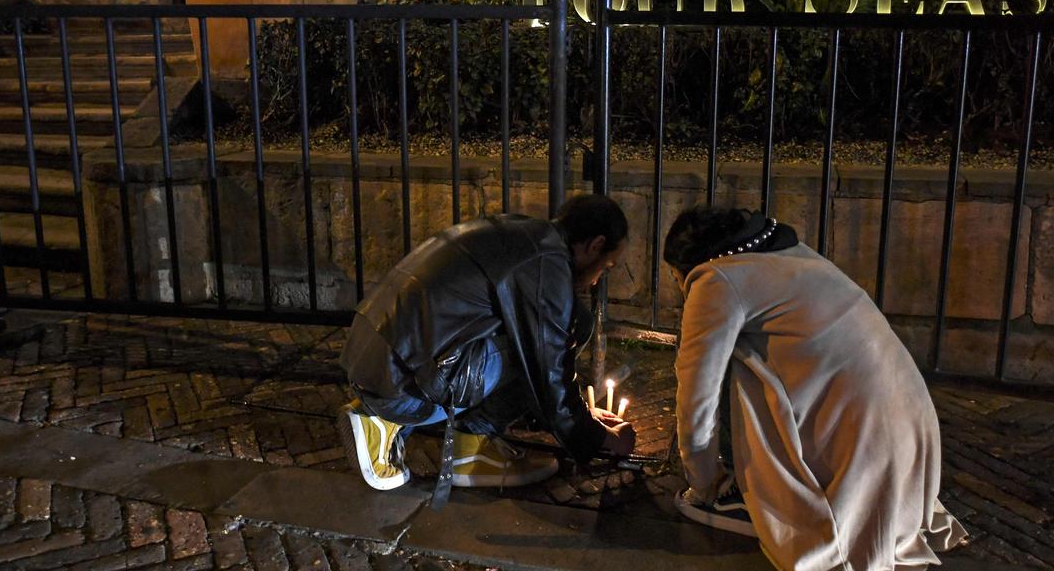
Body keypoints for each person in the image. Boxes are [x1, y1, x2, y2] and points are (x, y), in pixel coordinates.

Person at [662, 207, 967, 571]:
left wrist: (702, 481)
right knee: (754, 353)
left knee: (734, 370)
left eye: (674, 277)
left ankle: (743, 492)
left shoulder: (716, 279)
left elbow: (698, 393)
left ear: (686, 266)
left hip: (861, 451)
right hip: (913, 440)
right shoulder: (793, 253)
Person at [338, 194, 636, 500]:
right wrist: (597, 438)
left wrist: (580, 414)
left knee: (568, 323)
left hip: (374, 359)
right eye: (607, 267)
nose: (598, 279)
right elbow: (549, 368)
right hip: (402, 386)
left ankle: (463, 445)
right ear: (595, 245)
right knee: (544, 343)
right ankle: (399, 424)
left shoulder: (523, 233)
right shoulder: (547, 265)